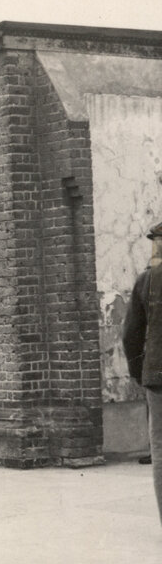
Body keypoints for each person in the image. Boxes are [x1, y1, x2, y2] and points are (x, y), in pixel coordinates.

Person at [122, 221, 162, 526]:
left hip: (157, 378)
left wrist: (140, 372)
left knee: (160, 451)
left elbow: (131, 335)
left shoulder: (147, 281)